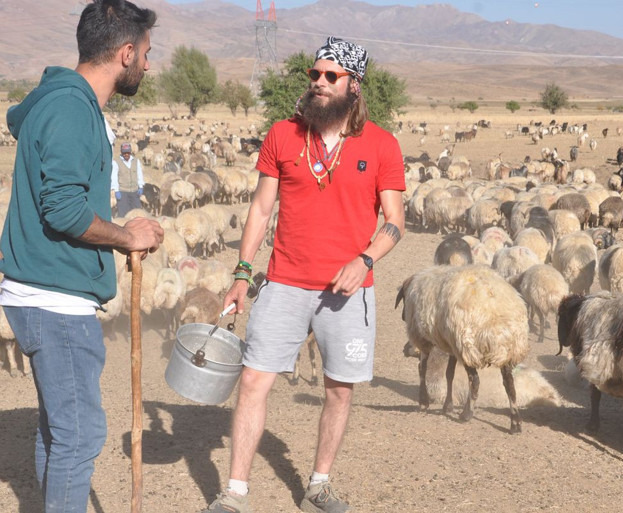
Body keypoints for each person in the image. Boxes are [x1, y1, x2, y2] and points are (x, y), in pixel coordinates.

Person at [203, 36, 405, 513]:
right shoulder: (283, 134)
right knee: (253, 380)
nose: (318, 82)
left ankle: (318, 483)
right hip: (284, 283)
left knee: (338, 388)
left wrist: (365, 260)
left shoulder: (381, 145)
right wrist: (241, 272)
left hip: (347, 292)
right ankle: (235, 493)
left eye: (330, 76)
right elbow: (259, 208)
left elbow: (395, 222)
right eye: (314, 74)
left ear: (354, 85)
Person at [0, 1, 163, 511]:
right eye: (147, 55)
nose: (148, 66)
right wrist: (126, 237)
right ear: (126, 52)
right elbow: (65, 210)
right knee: (81, 436)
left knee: (58, 432)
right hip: (56, 300)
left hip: (35, 293)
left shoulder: (54, 98)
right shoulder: (71, 107)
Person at [112, 141, 145, 216]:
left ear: (130, 152)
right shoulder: (116, 162)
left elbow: (139, 174)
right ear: (121, 152)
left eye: (128, 152)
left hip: (135, 192)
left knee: (137, 213)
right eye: (124, 153)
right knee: (123, 214)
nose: (126, 154)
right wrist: (116, 191)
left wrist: (141, 186)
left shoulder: (136, 161)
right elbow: (114, 177)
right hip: (123, 192)